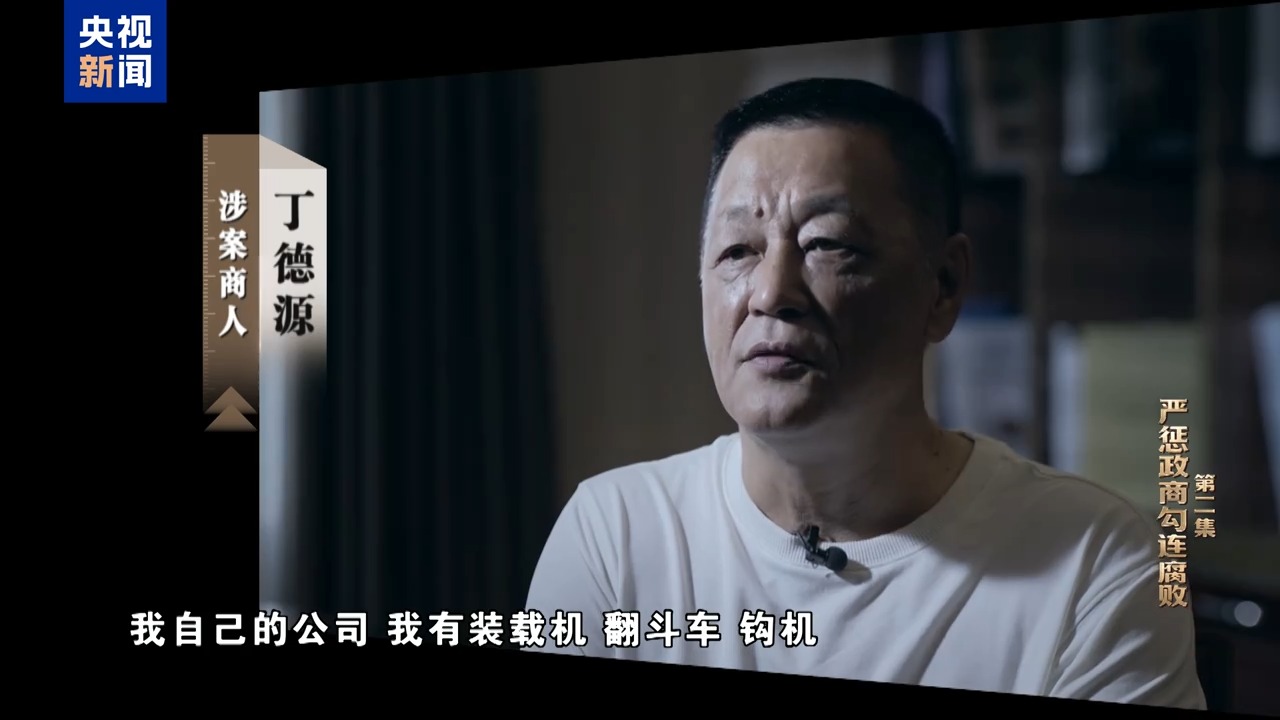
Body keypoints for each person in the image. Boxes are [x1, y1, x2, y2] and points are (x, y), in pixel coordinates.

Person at [524, 77, 1205, 708]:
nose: (770, 292)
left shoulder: (1099, 560)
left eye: (828, 244)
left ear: (943, 286)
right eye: (738, 251)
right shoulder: (618, 534)